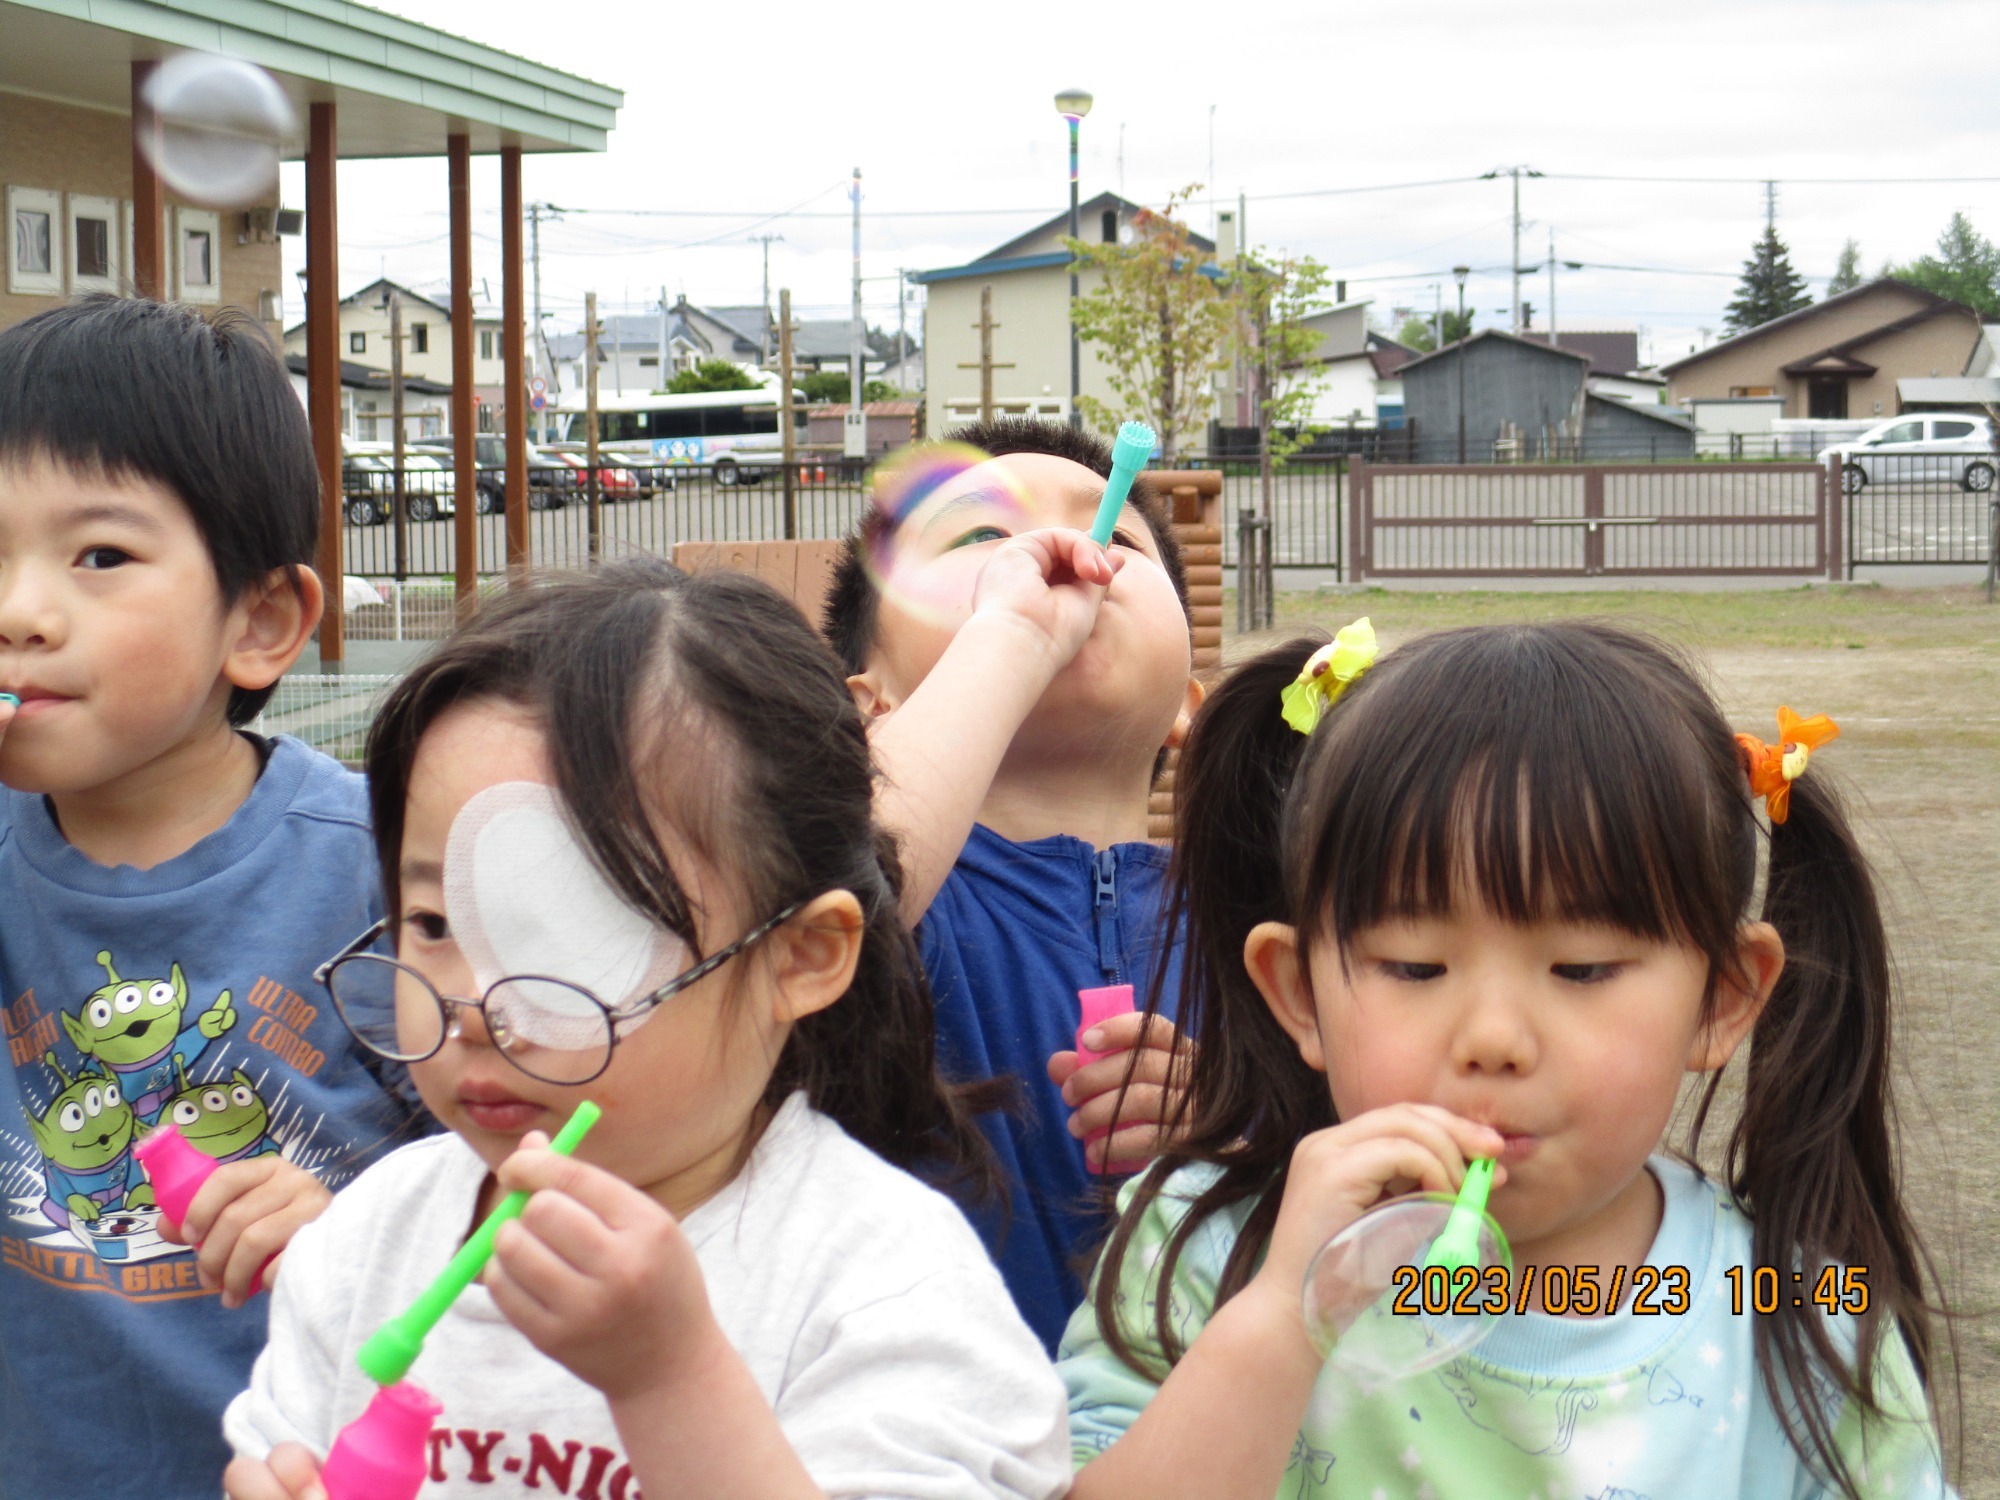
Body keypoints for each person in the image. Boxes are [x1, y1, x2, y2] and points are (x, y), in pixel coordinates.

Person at [222, 559, 1070, 1500]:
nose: (473, 1007)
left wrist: (670, 1380)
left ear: (800, 956)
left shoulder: (884, 1284)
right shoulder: (371, 1240)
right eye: (433, 925)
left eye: (572, 933)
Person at [1059, 620, 1954, 1500]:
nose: (1493, 1039)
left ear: (1720, 999)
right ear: (1298, 993)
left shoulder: (1803, 1319)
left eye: (1582, 969)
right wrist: (1280, 1319)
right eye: (1415, 966)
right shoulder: (1204, 1252)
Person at [0, 296, 431, 1500]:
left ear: (260, 619)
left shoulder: (380, 867)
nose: (19, 613)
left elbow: (524, 1173)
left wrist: (354, 1223)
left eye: (99, 557)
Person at [823, 418, 1205, 1349]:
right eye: (983, 539)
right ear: (870, 706)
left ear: (1188, 703)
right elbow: (833, 877)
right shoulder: (854, 911)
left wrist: (1233, 1135)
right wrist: (1012, 636)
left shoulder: (1280, 922)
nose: (1056, 553)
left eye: (1114, 536)